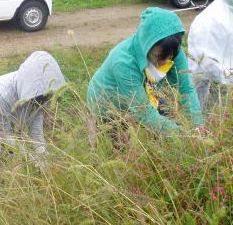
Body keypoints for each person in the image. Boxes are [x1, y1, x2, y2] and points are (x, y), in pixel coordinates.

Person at [87, 7, 203, 137]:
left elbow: (185, 89)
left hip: (144, 96)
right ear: (147, 45)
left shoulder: (172, 49)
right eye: (159, 57)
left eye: (169, 56)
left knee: (168, 117)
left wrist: (196, 127)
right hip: (108, 103)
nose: (165, 62)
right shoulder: (123, 62)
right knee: (120, 144)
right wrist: (182, 135)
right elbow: (143, 112)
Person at [0, 51, 66, 169]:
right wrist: (31, 157)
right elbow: (4, 135)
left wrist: (43, 155)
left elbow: (35, 127)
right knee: (1, 161)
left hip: (11, 121)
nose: (43, 105)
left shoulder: (36, 93)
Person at [188, 0, 233, 112]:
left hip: (226, 91)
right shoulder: (210, 21)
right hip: (210, 94)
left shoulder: (230, 12)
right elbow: (207, 66)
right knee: (209, 124)